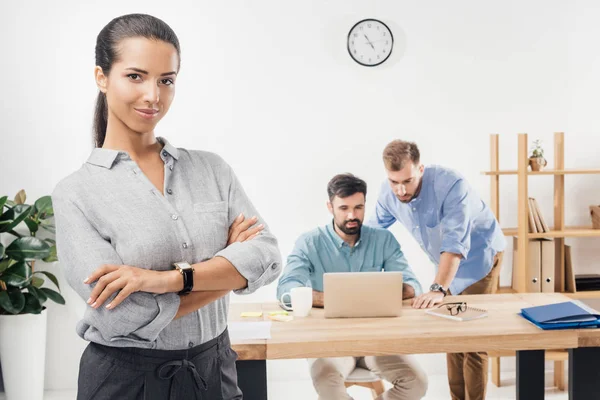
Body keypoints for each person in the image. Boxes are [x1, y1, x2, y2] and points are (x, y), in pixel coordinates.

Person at [52, 14, 281, 400]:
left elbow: (267, 256)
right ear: (101, 77)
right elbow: (122, 315)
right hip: (126, 382)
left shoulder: (211, 169)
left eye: (166, 80)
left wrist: (166, 280)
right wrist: (227, 268)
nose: (153, 96)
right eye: (135, 76)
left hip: (215, 371)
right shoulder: (76, 193)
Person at [369, 140, 506, 400]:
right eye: (393, 181)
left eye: (407, 181)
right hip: (444, 262)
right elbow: (372, 233)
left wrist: (437, 288)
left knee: (473, 339)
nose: (400, 189)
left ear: (420, 168)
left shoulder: (452, 185)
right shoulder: (388, 194)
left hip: (480, 257)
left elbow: (455, 244)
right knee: (453, 334)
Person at [277, 173, 428, 400]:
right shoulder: (309, 242)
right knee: (328, 385)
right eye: (344, 208)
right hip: (328, 342)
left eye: (358, 207)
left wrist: (392, 291)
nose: (352, 215)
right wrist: (329, 299)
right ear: (330, 207)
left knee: (417, 383)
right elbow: (285, 291)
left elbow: (412, 285)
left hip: (377, 341)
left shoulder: (383, 240)